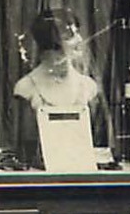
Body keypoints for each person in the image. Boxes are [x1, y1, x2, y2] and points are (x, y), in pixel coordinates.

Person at [13, 11, 107, 173]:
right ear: (50, 44)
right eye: (69, 35)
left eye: (77, 32)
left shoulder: (88, 87)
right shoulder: (26, 87)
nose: (79, 40)